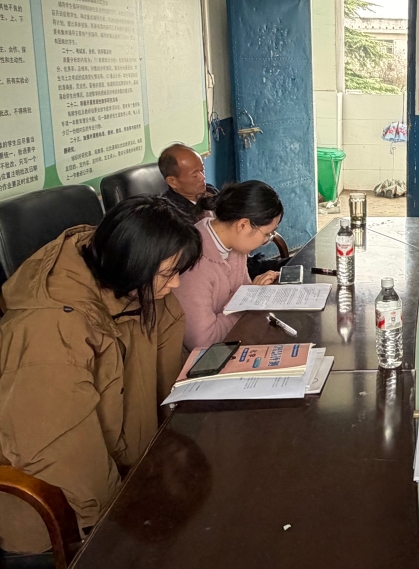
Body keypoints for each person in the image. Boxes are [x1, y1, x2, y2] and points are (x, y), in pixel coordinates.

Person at [0, 196, 201, 555]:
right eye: (168, 274)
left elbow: (168, 378)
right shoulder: (49, 329)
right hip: (62, 521)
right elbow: (61, 456)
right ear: (131, 262)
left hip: (134, 477)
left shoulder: (139, 286)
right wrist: (117, 526)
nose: (175, 285)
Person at [172, 181, 283, 351]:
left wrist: (253, 294)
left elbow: (243, 292)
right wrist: (248, 302)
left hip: (236, 340)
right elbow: (204, 342)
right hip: (205, 359)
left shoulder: (234, 245)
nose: (266, 241)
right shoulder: (194, 263)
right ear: (243, 225)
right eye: (267, 234)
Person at [158, 143, 217, 219]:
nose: (202, 177)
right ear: (172, 182)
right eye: (194, 175)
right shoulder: (169, 213)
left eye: (202, 170)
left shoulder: (210, 191)